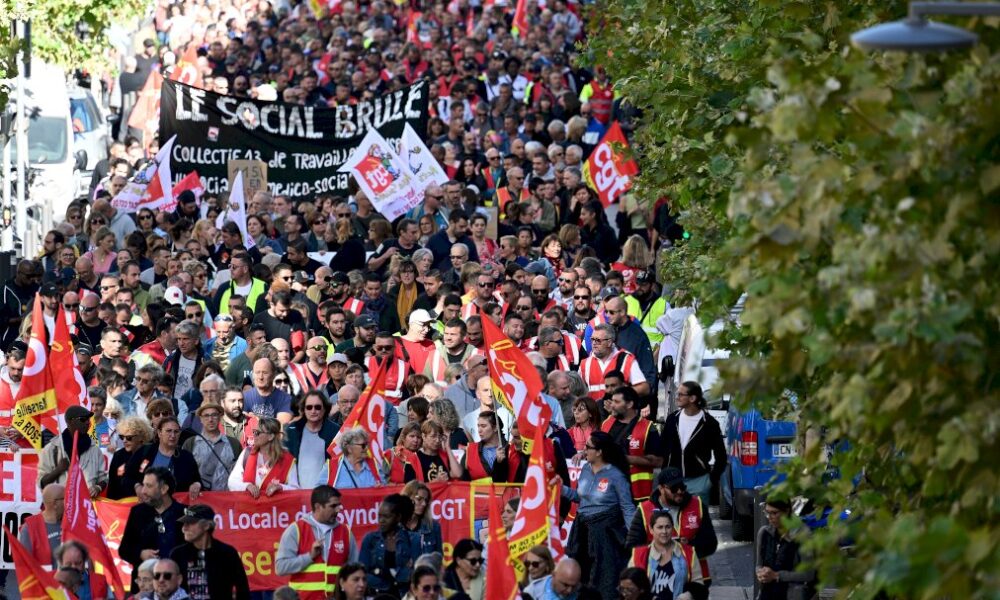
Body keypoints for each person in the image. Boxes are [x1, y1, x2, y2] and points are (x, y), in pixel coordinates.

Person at [559, 431, 635, 598]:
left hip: (604, 535)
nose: (584, 451)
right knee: (580, 574)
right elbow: (581, 498)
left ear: (600, 452)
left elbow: (627, 507)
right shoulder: (586, 468)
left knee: (604, 576)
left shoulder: (616, 475)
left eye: (588, 447)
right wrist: (562, 489)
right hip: (581, 533)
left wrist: (633, 535)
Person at [627, 467, 717, 585]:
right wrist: (658, 548)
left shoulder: (697, 505)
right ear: (661, 489)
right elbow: (632, 546)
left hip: (693, 578)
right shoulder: (644, 510)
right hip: (655, 579)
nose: (679, 491)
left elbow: (711, 543)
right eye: (674, 488)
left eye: (682, 486)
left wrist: (688, 546)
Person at [276, 485, 359, 599]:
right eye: (333, 506)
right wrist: (309, 557)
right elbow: (280, 568)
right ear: (318, 506)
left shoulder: (346, 532)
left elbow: (356, 571)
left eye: (339, 505)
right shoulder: (296, 529)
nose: (338, 509)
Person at [119, 467, 188, 593]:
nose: (143, 491)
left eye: (149, 486)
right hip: (145, 589)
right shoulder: (137, 512)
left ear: (163, 489)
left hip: (177, 589)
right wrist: (140, 554)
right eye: (143, 485)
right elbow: (124, 549)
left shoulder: (184, 514)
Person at [660, 381, 727, 506]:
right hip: (672, 482)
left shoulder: (709, 423)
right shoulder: (672, 419)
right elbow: (663, 449)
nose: (677, 397)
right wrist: (664, 477)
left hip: (698, 481)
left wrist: (711, 480)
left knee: (696, 522)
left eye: (680, 394)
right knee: (670, 522)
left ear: (692, 398)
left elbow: (721, 456)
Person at [170, 504, 250, 599]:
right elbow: (169, 589)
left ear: (207, 526)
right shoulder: (177, 554)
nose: (184, 528)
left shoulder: (227, 554)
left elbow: (243, 591)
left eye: (190, 523)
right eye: (184, 523)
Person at [601, 386, 663, 502]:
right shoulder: (606, 423)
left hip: (637, 494)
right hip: (608, 491)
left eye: (617, 402)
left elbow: (658, 461)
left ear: (629, 404)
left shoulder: (648, 427)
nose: (612, 405)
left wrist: (624, 458)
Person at [627, 510, 706, 600]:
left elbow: (699, 584)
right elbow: (629, 588)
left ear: (672, 528)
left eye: (668, 527)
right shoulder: (638, 555)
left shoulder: (689, 553)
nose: (664, 531)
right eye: (660, 527)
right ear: (651, 529)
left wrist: (688, 595)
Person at [359, 493, 421, 596]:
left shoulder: (413, 539)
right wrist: (392, 581)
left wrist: (379, 572)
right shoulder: (370, 539)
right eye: (379, 516)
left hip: (404, 596)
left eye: (386, 517)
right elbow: (362, 574)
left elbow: (415, 574)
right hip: (376, 596)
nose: (381, 521)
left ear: (398, 517)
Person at [38, 405, 108, 496]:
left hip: (85, 504)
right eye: (83, 419)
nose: (87, 423)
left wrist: (98, 487)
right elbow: (42, 483)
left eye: (88, 419)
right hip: (62, 506)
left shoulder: (94, 449)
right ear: (70, 421)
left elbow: (104, 479)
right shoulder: (51, 449)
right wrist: (58, 470)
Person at [755, 499, 816, 600]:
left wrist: (776, 575)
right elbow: (758, 564)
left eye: (774, 513)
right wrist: (761, 573)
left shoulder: (803, 535)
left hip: (792, 593)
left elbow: (809, 574)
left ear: (787, 511)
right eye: (767, 512)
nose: (770, 517)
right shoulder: (764, 533)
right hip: (767, 593)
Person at [125, 416, 202, 495]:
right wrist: (137, 486)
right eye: (168, 431)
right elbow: (127, 477)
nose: (172, 435)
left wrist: (196, 484)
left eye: (176, 432)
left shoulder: (186, 457)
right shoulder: (145, 452)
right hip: (147, 503)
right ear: (159, 433)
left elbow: (197, 480)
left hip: (175, 505)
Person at [229, 416, 300, 495]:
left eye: (258, 433)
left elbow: (295, 489)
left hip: (274, 506)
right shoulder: (247, 453)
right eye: (254, 432)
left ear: (271, 436)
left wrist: (280, 487)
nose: (254, 435)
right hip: (248, 506)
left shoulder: (287, 459)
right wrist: (247, 486)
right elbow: (232, 482)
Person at [180, 402, 241, 492]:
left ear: (220, 417)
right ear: (200, 419)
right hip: (199, 499)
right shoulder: (190, 443)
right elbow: (183, 472)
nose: (210, 419)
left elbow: (240, 474)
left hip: (226, 499)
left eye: (214, 415)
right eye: (206, 416)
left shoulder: (234, 444)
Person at [285, 391, 340, 488]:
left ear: (325, 409)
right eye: (309, 407)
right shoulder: (292, 430)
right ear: (303, 409)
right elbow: (284, 462)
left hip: (326, 493)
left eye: (317, 407)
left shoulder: (335, 431)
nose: (313, 411)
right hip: (296, 492)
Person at [18, 483, 64, 569]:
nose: (69, 502)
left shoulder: (71, 523)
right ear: (55, 504)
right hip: (44, 581)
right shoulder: (30, 528)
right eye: (65, 499)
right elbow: (25, 567)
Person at [108, 417, 155, 499]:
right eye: (122, 437)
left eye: (129, 438)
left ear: (140, 437)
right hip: (121, 505)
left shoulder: (151, 453)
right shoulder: (118, 456)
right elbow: (112, 485)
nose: (124, 441)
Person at [401, 481, 443, 556]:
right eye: (419, 499)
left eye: (426, 500)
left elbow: (438, 561)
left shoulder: (433, 527)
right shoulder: (394, 527)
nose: (424, 504)